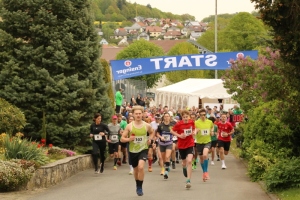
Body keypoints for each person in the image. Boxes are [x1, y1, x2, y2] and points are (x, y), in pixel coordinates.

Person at [121, 106, 155, 196]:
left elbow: (152, 132)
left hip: (143, 149)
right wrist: (129, 139)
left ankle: (140, 187)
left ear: (143, 114)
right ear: (133, 114)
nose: (138, 115)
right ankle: (137, 184)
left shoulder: (146, 125)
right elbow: (122, 139)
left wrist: (150, 139)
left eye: (140, 113)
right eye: (136, 114)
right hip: (132, 151)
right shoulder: (129, 126)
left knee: (141, 167)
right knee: (136, 170)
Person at [171, 110, 195, 189]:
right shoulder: (179, 124)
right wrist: (179, 135)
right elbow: (172, 131)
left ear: (189, 117)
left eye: (187, 117)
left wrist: (194, 132)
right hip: (181, 145)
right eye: (184, 117)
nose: (185, 118)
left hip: (190, 144)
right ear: (182, 117)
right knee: (184, 162)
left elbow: (195, 129)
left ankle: (188, 180)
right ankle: (184, 167)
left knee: (189, 161)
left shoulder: (192, 122)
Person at [194, 109, 214, 182]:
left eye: (204, 115)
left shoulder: (209, 122)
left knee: (205, 155)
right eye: (201, 115)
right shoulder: (196, 122)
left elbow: (212, 127)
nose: (203, 116)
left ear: (206, 115)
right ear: (199, 115)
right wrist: (196, 131)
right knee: (202, 159)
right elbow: (194, 130)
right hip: (199, 142)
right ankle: (204, 173)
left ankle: (206, 172)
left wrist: (211, 131)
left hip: (207, 141)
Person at [157, 112, 175, 179]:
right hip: (162, 143)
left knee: (167, 157)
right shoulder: (160, 125)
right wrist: (160, 137)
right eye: (165, 116)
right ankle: (167, 166)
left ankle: (166, 172)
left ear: (170, 117)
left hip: (169, 143)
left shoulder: (172, 125)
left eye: (168, 116)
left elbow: (175, 132)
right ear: (164, 117)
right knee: (164, 158)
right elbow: (157, 133)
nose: (166, 117)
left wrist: (173, 135)